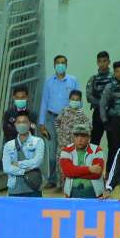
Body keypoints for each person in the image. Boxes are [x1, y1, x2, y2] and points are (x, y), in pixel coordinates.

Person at [39, 55, 81, 184]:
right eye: (58, 63)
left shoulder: (73, 80)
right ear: (54, 65)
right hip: (51, 119)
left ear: (66, 65)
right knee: (52, 151)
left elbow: (79, 101)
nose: (60, 65)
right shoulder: (48, 81)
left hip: (68, 120)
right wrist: (41, 123)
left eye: (63, 63)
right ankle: (52, 180)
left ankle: (67, 179)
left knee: (68, 150)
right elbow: (44, 102)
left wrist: (77, 118)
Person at [2, 114, 45, 197]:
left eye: (24, 122)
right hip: (14, 188)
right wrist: (24, 171)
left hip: (33, 187)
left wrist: (18, 164)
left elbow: (37, 161)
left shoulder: (38, 141)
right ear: (15, 125)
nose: (22, 124)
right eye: (19, 122)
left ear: (30, 124)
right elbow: (6, 168)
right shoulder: (8, 145)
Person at [60, 126, 106, 199]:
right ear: (73, 137)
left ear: (89, 138)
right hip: (72, 193)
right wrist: (89, 169)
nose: (80, 139)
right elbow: (67, 172)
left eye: (83, 136)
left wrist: (74, 173)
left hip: (94, 193)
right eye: (77, 136)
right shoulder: (66, 150)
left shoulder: (97, 150)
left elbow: (97, 174)